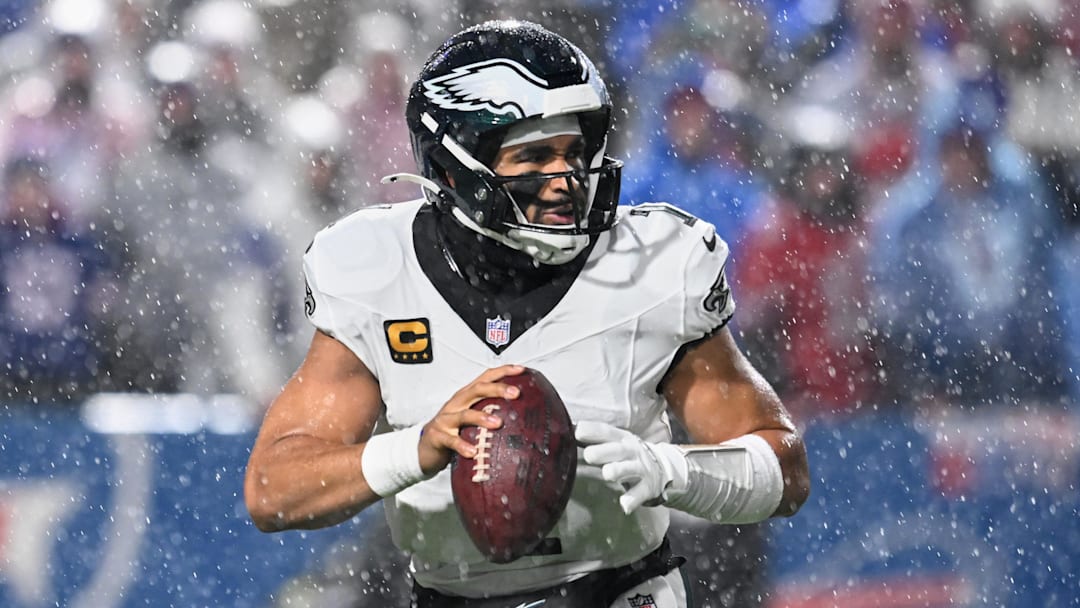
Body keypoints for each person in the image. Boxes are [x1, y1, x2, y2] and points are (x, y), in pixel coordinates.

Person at [245, 20, 810, 607]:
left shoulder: (654, 265)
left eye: (574, 153)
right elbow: (272, 489)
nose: (566, 180)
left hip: (619, 591)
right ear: (452, 170)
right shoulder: (374, 269)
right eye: (535, 157)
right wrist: (416, 449)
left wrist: (676, 473)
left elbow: (787, 471)